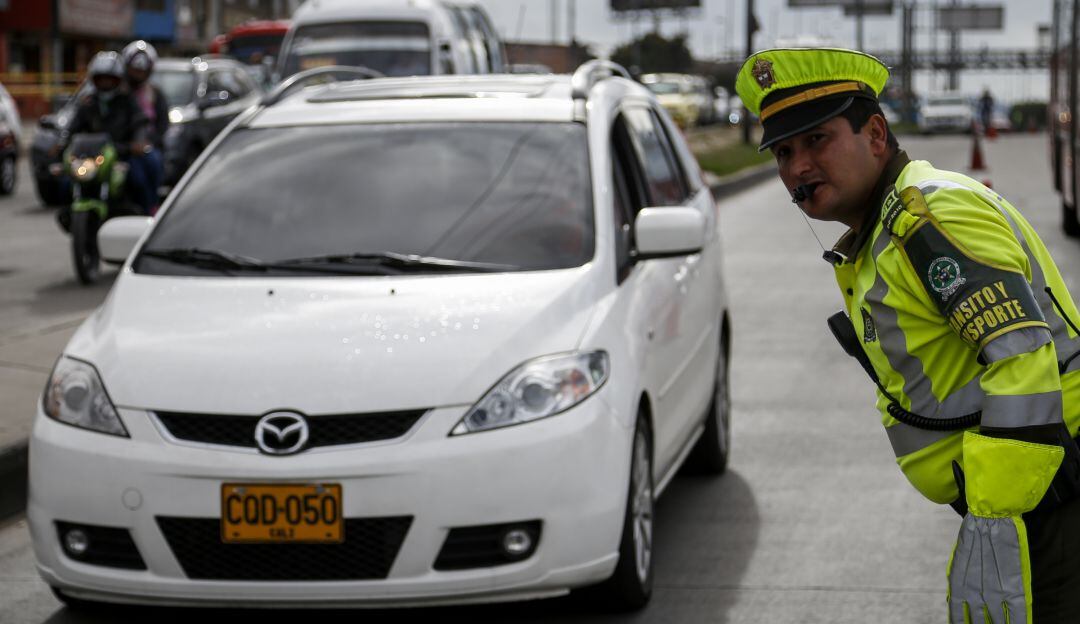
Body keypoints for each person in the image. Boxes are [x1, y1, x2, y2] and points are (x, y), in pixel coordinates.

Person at [735, 48, 1080, 622]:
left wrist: (995, 518)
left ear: (874, 135)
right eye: (784, 152)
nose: (797, 167)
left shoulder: (928, 219)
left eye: (817, 140)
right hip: (1029, 495)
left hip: (1048, 499)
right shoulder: (883, 231)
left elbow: (1022, 362)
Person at [61, 51, 154, 215]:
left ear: (117, 80)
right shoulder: (88, 102)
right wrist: (61, 144)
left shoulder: (127, 100)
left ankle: (148, 217)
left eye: (109, 79)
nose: (105, 83)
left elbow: (140, 122)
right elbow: (73, 128)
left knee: (138, 179)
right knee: (66, 182)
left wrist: (138, 142)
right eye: (101, 79)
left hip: (122, 155)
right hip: (93, 158)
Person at [121, 40, 168, 214]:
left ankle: (151, 208)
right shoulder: (118, 92)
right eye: (135, 68)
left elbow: (162, 125)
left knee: (146, 171)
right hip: (120, 147)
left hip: (145, 149)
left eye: (142, 69)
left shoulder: (155, 94)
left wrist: (148, 144)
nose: (138, 73)